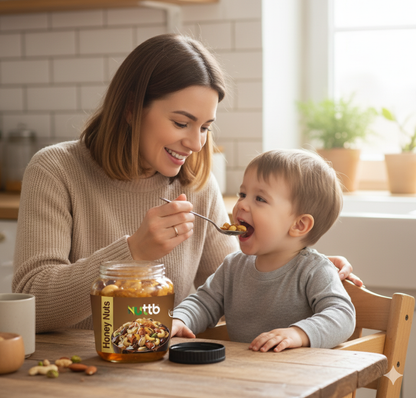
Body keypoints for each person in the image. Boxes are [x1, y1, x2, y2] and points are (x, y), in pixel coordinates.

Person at [12, 34, 359, 334]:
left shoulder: (195, 184)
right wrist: (133, 252)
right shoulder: (55, 170)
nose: (196, 144)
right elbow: (34, 306)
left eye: (205, 127)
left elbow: (230, 289)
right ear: (132, 108)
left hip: (164, 372)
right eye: (181, 123)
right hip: (71, 376)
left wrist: (293, 261)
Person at [172, 149, 356, 352]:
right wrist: (180, 319)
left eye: (259, 199)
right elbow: (203, 303)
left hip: (299, 378)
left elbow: (342, 315)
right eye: (242, 194)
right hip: (246, 374)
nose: (241, 204)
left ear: (299, 225)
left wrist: (298, 334)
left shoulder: (314, 270)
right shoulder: (233, 267)